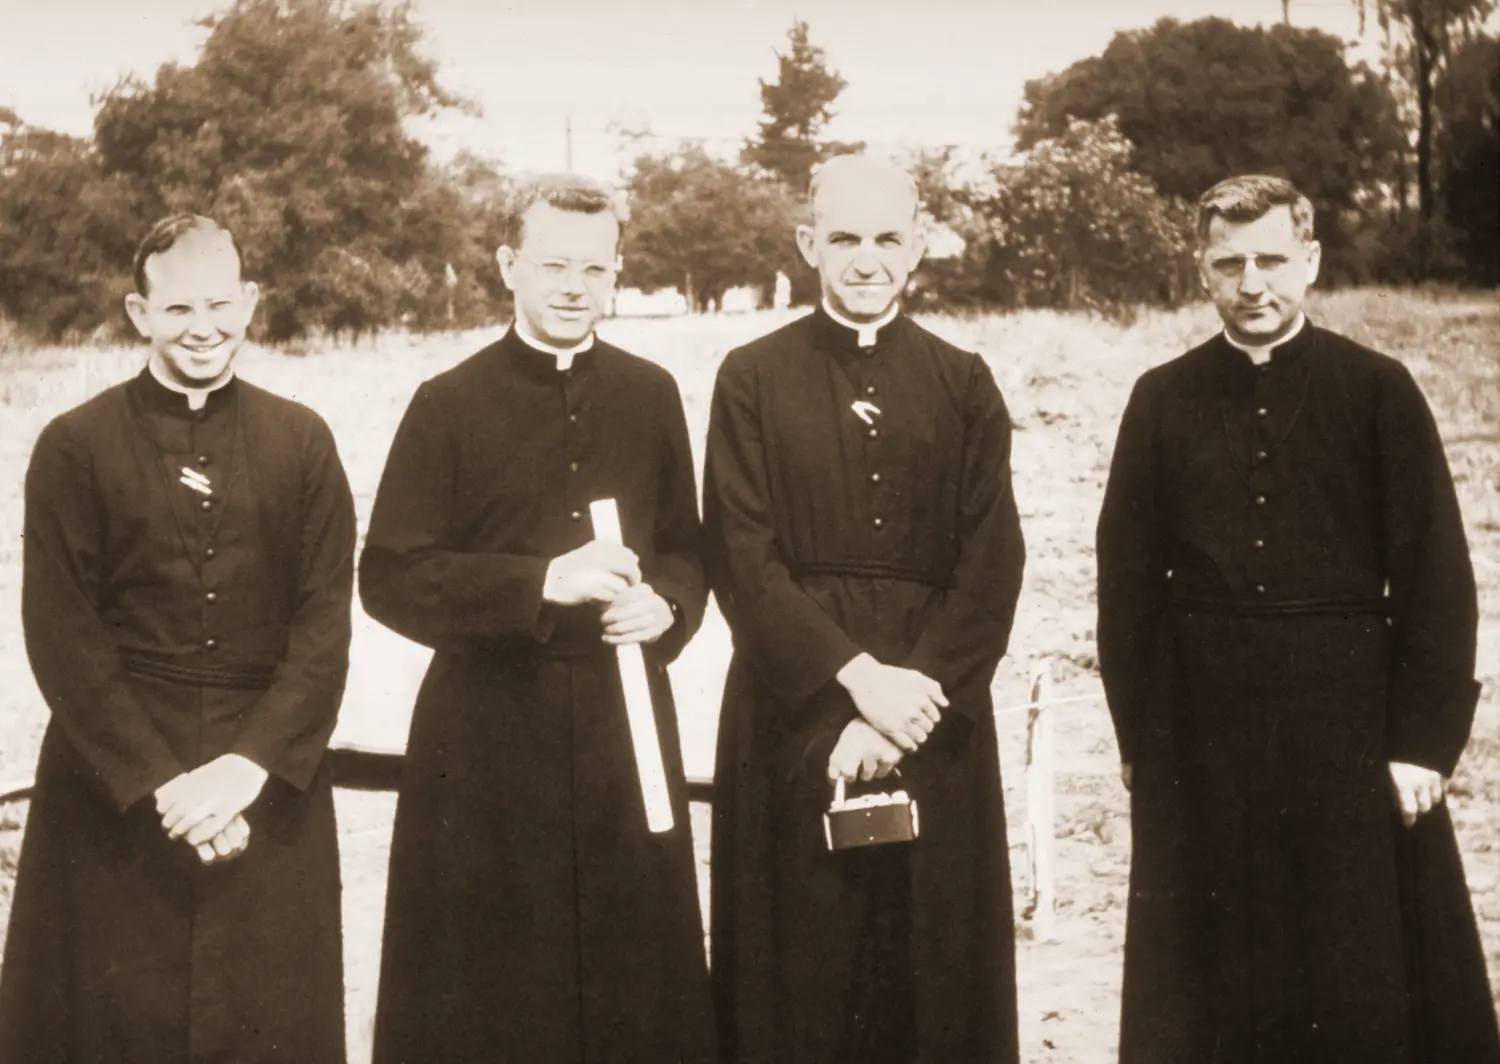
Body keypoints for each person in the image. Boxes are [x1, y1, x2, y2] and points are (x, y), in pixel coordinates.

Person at [1098, 174, 1500, 1064]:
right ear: (1202, 270)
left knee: (1354, 964)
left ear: (1310, 261)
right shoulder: (1160, 398)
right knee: (1210, 974)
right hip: (1201, 732)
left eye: (1272, 260)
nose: (1253, 284)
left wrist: (1423, 743)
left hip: (1350, 726)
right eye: (1229, 263)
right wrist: (1139, 736)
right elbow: (1125, 585)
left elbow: (1437, 575)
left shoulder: (1378, 390)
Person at [362, 172, 713, 1063]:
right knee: (491, 991)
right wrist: (539, 583)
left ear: (618, 271)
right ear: (507, 265)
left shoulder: (650, 392)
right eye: (554, 265)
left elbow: (688, 550)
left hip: (623, 728)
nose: (573, 287)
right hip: (486, 737)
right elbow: (391, 576)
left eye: (594, 269)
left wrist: (667, 605)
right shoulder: (448, 402)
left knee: (634, 984)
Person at [0, 214, 355, 1062]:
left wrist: (245, 769)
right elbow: (62, 636)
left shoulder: (303, 441)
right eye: (180, 309)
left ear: (251, 301)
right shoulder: (74, 446)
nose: (204, 329)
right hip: (115, 783)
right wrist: (166, 789)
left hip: (265, 783)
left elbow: (323, 629)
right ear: (139, 313)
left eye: (221, 305)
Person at [704, 154, 1026, 1064]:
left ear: (918, 246)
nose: (866, 259)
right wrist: (853, 683)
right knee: (798, 980)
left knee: (932, 975)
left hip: (933, 713)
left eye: (888, 238)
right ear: (808, 244)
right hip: (794, 705)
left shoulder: (964, 381)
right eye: (844, 238)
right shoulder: (751, 376)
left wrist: (903, 704)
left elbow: (992, 564)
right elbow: (742, 556)